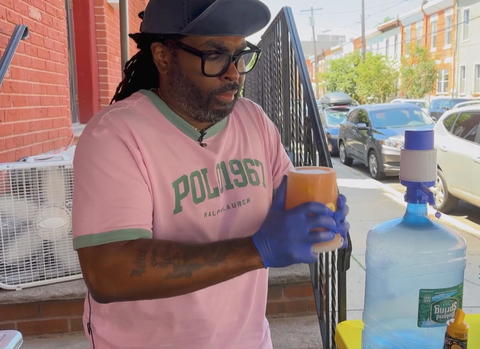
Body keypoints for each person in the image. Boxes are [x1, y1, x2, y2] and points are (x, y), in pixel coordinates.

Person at [71, 0, 350, 348]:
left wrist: (317, 216)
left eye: (240, 54)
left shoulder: (254, 121)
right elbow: (108, 272)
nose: (233, 72)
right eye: (215, 55)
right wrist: (258, 250)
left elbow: (287, 196)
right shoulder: (115, 135)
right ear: (163, 56)